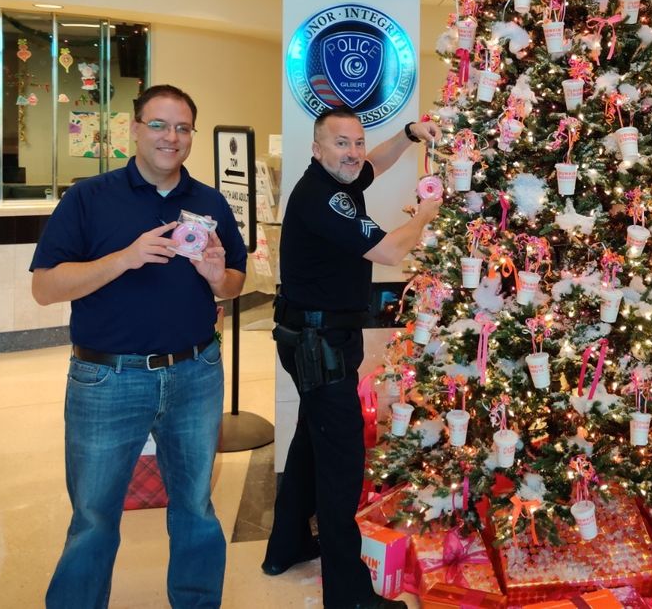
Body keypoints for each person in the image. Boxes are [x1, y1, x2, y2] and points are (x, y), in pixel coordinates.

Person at [32, 84, 247, 609]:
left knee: (195, 505)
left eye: (181, 128)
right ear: (134, 129)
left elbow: (234, 283)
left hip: (196, 372)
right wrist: (123, 258)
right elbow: (44, 288)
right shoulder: (88, 198)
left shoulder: (209, 201)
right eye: (158, 125)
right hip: (107, 380)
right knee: (93, 517)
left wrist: (219, 277)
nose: (170, 138)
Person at [262, 107, 442, 609]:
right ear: (317, 149)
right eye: (342, 144)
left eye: (358, 142)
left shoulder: (334, 182)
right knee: (341, 463)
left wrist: (407, 135)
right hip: (320, 345)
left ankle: (288, 544)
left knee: (310, 443)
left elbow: (374, 167)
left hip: (310, 337)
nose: (355, 153)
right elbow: (389, 252)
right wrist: (427, 212)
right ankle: (349, 597)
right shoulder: (324, 199)